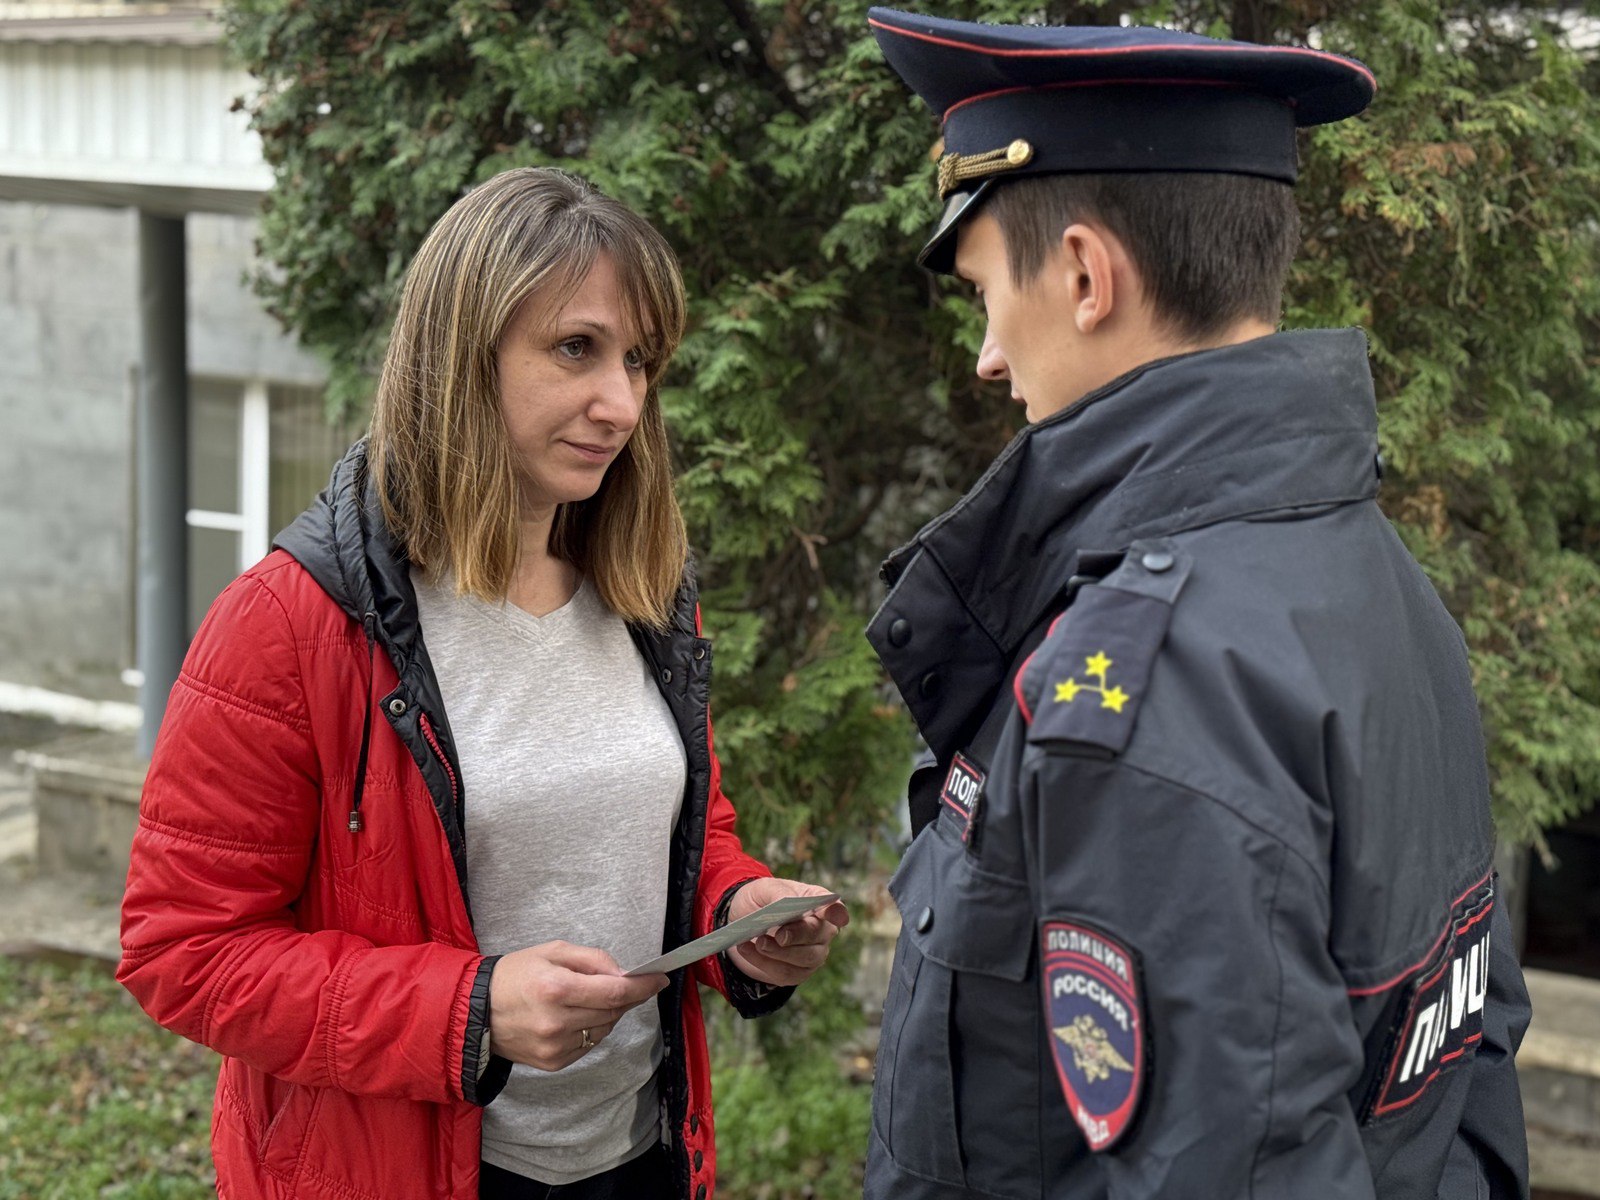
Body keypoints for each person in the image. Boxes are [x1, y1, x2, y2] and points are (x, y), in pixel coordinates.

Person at [861, 9, 1530, 1199]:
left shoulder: (1150, 682)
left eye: (980, 297)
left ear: (1080, 274)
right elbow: (1464, 1051)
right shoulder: (1370, 575)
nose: (985, 359)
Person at [117, 166, 848, 1200]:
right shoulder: (290, 624)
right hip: (401, 1171)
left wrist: (740, 909)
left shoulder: (642, 594)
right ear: (463, 354)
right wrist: (468, 1011)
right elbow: (181, 950)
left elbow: (671, 830)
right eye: (576, 350)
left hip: (638, 1157)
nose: (622, 402)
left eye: (639, 361)